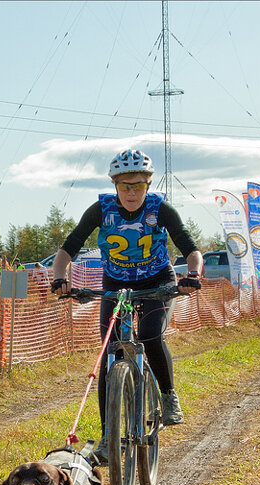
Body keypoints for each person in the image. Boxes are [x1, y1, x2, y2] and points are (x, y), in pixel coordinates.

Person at [49, 149, 201, 459]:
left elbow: (191, 249)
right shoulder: (100, 210)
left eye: (138, 186)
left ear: (148, 184)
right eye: (124, 186)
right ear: (115, 185)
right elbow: (68, 248)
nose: (131, 193)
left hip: (157, 281)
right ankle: (108, 437)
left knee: (148, 335)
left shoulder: (161, 210)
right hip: (115, 283)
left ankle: (169, 396)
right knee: (110, 352)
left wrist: (193, 274)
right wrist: (59, 278)